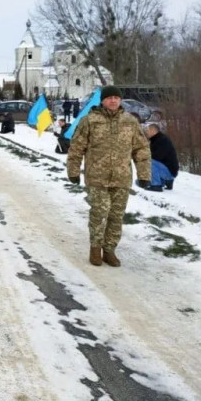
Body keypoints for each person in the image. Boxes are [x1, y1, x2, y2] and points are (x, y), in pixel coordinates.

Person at [67, 85, 151, 268]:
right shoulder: (90, 120)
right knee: (100, 212)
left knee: (116, 215)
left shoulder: (130, 122)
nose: (113, 100)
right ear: (103, 100)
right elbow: (76, 147)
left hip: (121, 178)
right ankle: (95, 248)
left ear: (120, 100)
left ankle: (110, 250)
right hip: (97, 177)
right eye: (109, 98)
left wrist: (144, 174)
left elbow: (141, 149)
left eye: (116, 97)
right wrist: (73, 171)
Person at [145, 123, 179, 191]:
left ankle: (156, 185)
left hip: (170, 171)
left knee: (148, 161)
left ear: (153, 131)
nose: (147, 132)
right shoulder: (156, 140)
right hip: (167, 169)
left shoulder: (162, 140)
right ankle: (167, 182)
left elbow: (157, 156)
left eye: (148, 130)